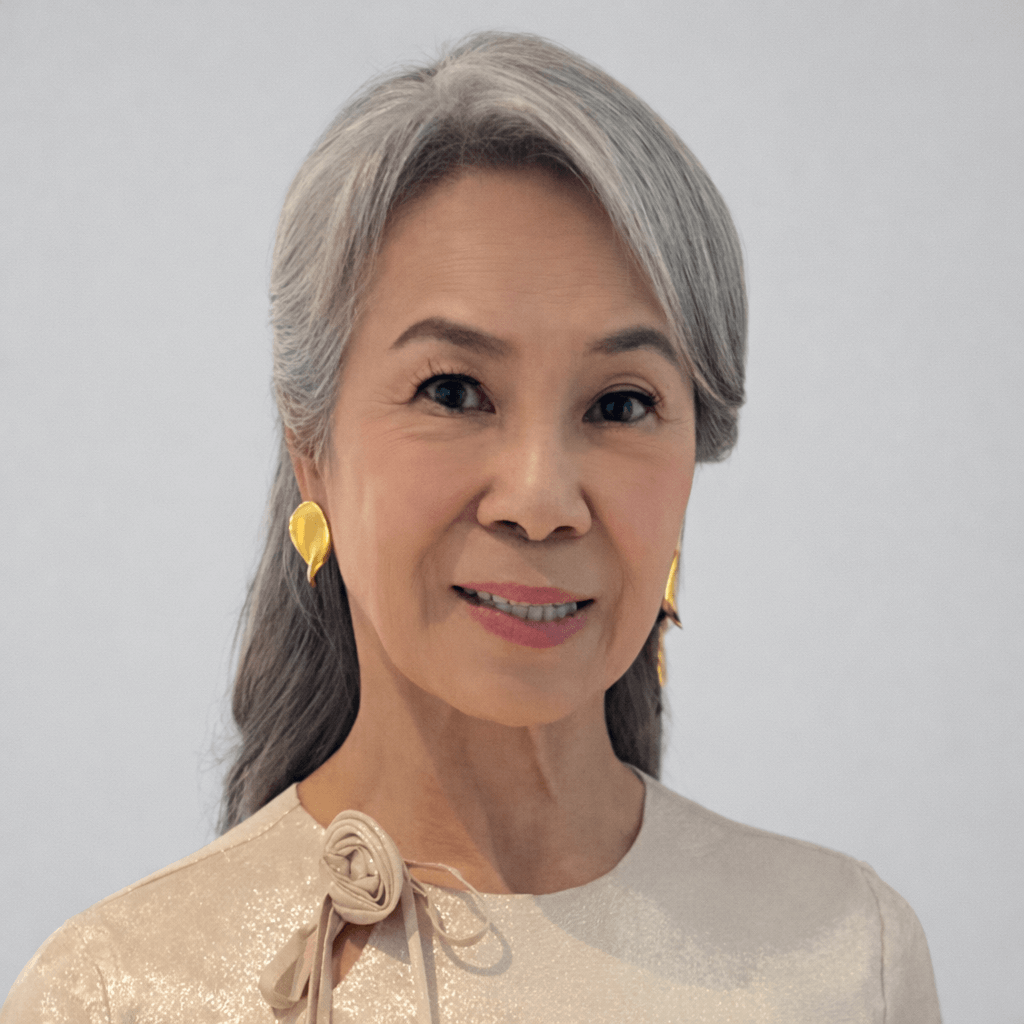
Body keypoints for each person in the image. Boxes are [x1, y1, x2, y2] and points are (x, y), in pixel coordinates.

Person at [2, 30, 941, 1024]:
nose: (540, 499)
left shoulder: (845, 963)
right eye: (453, 390)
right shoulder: (118, 992)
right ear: (310, 447)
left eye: (620, 404)